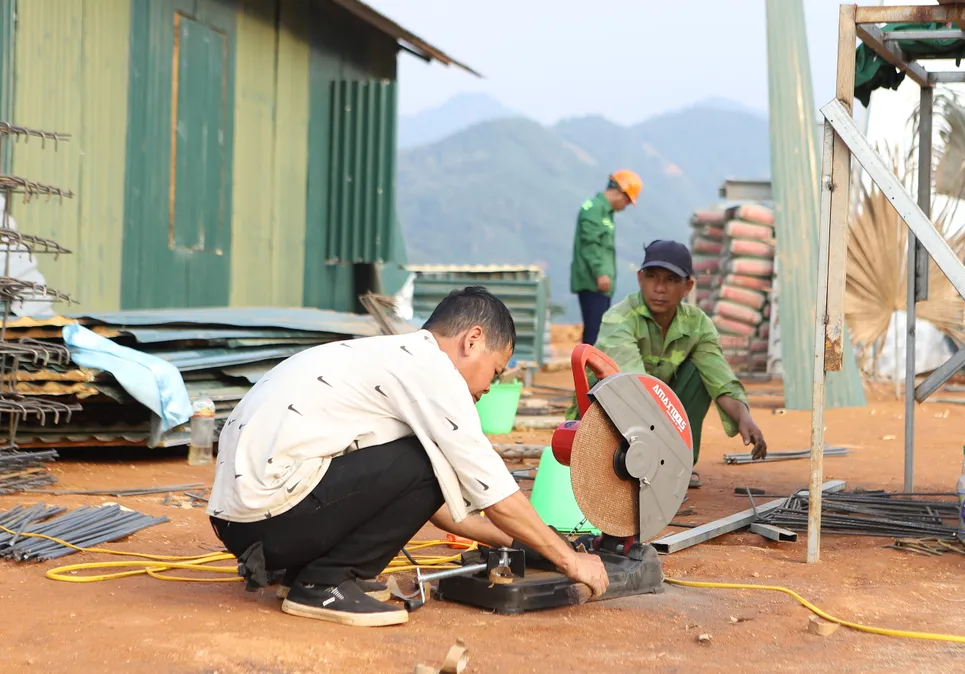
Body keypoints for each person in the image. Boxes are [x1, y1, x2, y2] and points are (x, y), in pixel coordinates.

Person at [207, 287, 608, 627]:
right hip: (270, 518)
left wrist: (524, 543)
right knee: (432, 461)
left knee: (429, 463)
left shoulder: (390, 357)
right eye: (496, 371)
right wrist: (570, 561)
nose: (489, 386)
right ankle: (325, 584)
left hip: (246, 523)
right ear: (472, 340)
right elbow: (493, 491)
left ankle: (304, 575)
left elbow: (425, 503)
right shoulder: (433, 373)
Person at [570, 240, 767, 489]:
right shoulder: (619, 318)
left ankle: (677, 465)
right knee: (613, 385)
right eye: (652, 277)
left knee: (700, 372)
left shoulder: (697, 324)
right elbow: (633, 387)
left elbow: (719, 377)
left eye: (672, 280)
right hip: (616, 408)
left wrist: (743, 416)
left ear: (688, 286)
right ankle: (625, 461)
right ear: (640, 279)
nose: (660, 288)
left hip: (658, 412)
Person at [570, 169, 643, 346]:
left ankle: (596, 372)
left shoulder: (605, 213)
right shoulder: (594, 209)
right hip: (593, 282)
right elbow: (591, 244)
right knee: (593, 334)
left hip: (601, 285)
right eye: (627, 201)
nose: (625, 206)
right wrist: (600, 273)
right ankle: (587, 372)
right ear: (620, 193)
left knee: (600, 333)